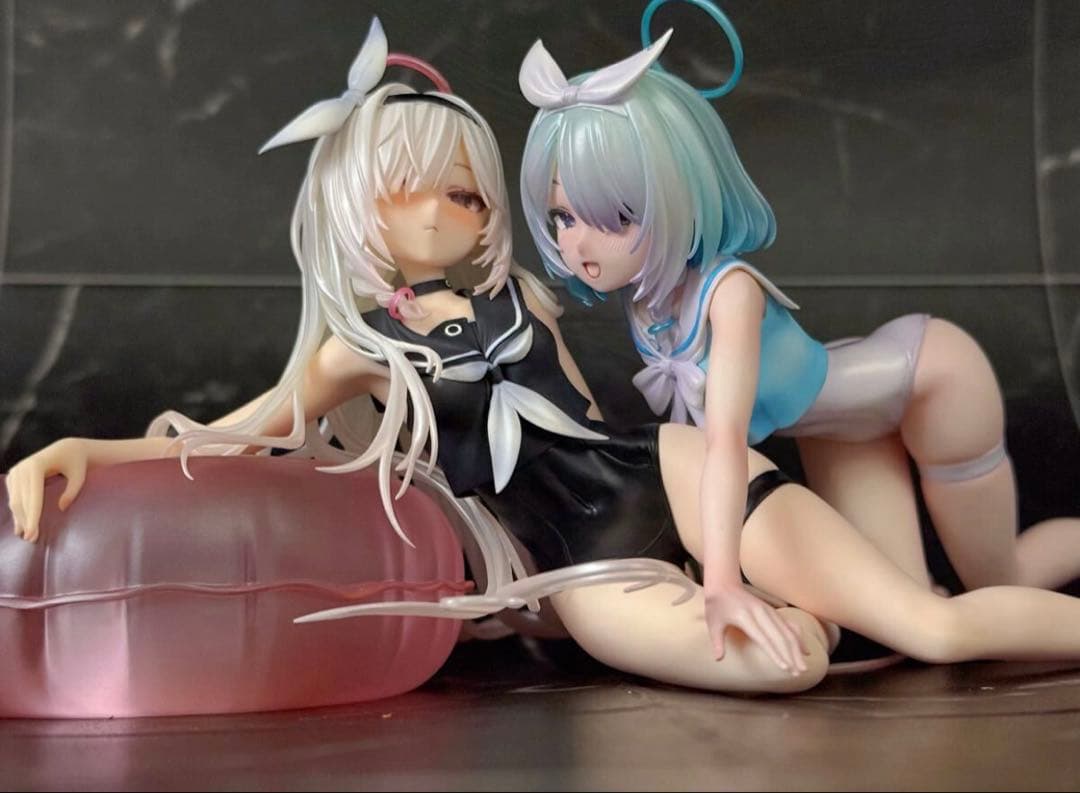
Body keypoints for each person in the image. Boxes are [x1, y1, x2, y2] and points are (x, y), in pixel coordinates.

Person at [10, 17, 1080, 700]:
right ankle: (821, 608)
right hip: (586, 567)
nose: (451, 212)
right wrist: (82, 452)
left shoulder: (522, 292)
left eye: (468, 192)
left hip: (669, 471)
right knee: (792, 662)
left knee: (936, 625)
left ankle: (846, 598)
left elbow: (653, 310)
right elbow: (239, 434)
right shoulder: (357, 349)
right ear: (356, 198)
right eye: (417, 189)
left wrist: (725, 566)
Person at [516, 0, 1080, 662]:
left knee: (1000, 578)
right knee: (909, 611)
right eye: (562, 217)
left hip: (933, 381)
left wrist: (721, 581)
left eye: (614, 216)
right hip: (843, 428)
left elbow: (724, 444)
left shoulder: (731, 294)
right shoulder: (647, 300)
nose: (579, 245)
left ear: (675, 193)